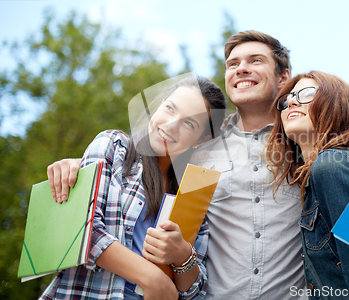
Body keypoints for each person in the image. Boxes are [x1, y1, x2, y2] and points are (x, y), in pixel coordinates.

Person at [47, 30, 349, 300]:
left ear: (283, 76)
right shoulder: (198, 150)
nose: (241, 69)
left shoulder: (311, 140)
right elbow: (146, 170)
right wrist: (79, 163)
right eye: (233, 63)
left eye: (255, 60)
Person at [41, 76, 226, 300]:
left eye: (189, 123)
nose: (170, 125)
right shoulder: (114, 147)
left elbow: (197, 293)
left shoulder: (194, 195)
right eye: (169, 108)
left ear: (202, 139)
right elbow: (81, 227)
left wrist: (182, 257)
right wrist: (150, 277)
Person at [265, 70, 349, 299]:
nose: (291, 101)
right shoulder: (317, 176)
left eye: (306, 93)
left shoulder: (331, 166)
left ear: (336, 104)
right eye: (287, 99)